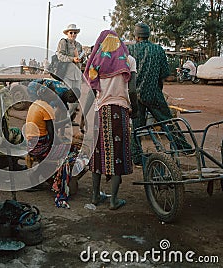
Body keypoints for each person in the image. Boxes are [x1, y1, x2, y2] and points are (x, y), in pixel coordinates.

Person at [84, 29, 138, 210]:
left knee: (97, 155)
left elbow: (91, 93)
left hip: (100, 111)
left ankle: (95, 196)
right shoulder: (128, 61)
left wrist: (85, 116)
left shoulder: (95, 62)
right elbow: (132, 90)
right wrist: (135, 110)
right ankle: (114, 200)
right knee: (118, 155)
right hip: (119, 111)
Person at [127, 22, 192, 165]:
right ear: (148, 35)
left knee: (137, 127)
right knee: (167, 121)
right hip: (154, 93)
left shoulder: (129, 50)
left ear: (136, 36)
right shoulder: (158, 50)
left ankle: (136, 157)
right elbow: (164, 73)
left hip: (135, 95)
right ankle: (184, 147)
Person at [56, 24, 84, 125]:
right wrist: (72, 59)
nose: (73, 34)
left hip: (77, 74)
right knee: (65, 98)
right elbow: (59, 55)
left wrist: (80, 58)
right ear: (67, 33)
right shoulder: (63, 42)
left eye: (74, 32)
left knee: (75, 99)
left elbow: (81, 58)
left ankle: (69, 120)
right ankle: (60, 121)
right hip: (66, 74)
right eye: (71, 32)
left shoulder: (79, 45)